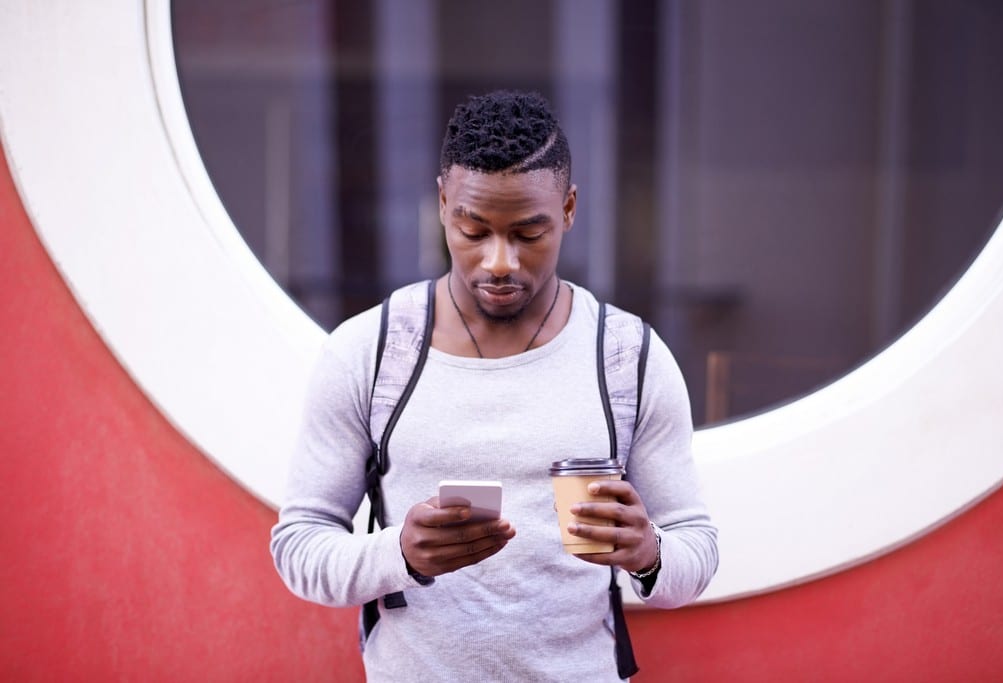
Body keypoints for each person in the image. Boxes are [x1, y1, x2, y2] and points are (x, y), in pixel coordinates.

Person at [270, 90, 718, 681]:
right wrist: (398, 553)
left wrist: (650, 553)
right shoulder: (370, 353)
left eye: (528, 234)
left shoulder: (627, 357)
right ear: (441, 203)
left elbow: (697, 548)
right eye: (473, 230)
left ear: (569, 210)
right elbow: (299, 546)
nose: (499, 261)